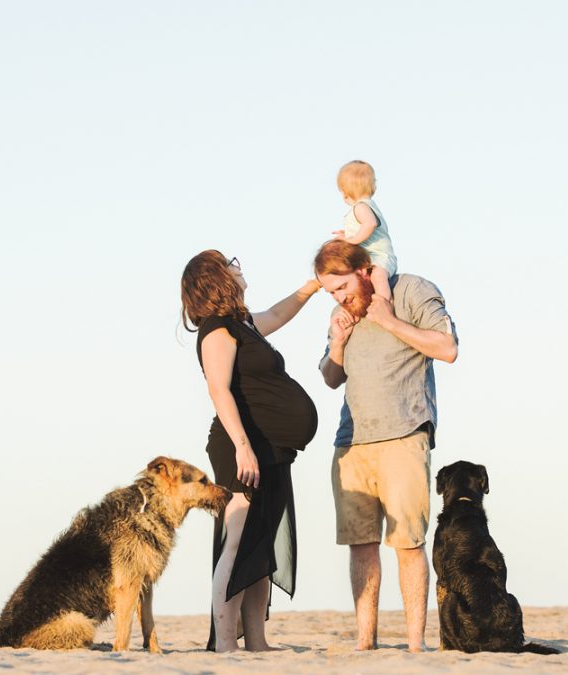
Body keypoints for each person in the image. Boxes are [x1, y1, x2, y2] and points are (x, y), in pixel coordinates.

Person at [314, 240, 457, 652]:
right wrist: (337, 344)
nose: (338, 298)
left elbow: (447, 349)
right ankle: (365, 642)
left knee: (408, 543)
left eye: (341, 287)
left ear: (363, 270)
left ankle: (415, 645)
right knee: (361, 545)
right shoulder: (341, 313)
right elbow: (329, 376)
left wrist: (391, 321)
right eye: (330, 292)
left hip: (404, 435)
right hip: (351, 443)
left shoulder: (412, 290)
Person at [180, 250, 320, 652]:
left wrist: (313, 286)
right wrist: (243, 448)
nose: (238, 266)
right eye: (230, 262)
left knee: (260, 545)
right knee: (239, 539)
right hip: (241, 446)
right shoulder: (216, 331)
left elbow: (277, 314)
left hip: (271, 446)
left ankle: (257, 641)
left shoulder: (243, 325)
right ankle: (226, 644)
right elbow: (218, 390)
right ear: (215, 279)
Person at [331, 160, 398, 301]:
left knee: (378, 277)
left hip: (380, 257)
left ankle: (384, 303)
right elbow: (363, 228)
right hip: (370, 258)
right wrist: (347, 234)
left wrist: (352, 240)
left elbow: (370, 224)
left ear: (345, 192)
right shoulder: (366, 206)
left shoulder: (360, 207)